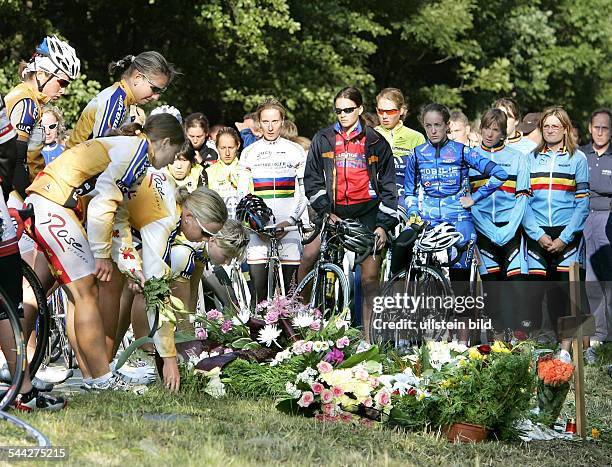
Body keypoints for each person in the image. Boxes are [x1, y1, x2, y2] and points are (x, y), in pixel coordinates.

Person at [22, 113, 184, 392]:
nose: (172, 161)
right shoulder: (137, 152)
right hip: (55, 204)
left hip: (48, 202)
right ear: (166, 142)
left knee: (52, 292)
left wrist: (132, 268)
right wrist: (100, 254)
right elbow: (101, 206)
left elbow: (118, 219)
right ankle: (100, 379)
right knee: (86, 293)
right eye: (175, 153)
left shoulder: (131, 149)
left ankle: (26, 370)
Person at [404, 103, 508, 344]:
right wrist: (413, 212)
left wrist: (474, 198)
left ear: (447, 125)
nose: (433, 130)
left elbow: (499, 174)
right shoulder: (417, 154)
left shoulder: (462, 151)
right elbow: (408, 192)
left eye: (437, 125)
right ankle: (432, 340)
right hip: (429, 223)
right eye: (428, 126)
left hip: (459, 222)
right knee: (429, 282)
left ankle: (462, 345)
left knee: (461, 286)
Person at [303, 87, 398, 340]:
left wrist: (383, 225)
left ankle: (369, 341)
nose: (343, 115)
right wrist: (325, 211)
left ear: (360, 109)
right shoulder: (323, 138)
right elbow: (311, 181)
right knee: (309, 256)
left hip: (368, 213)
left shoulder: (376, 141)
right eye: (338, 111)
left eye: (348, 110)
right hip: (333, 213)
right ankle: (302, 330)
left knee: (369, 280)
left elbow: (389, 187)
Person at [522, 106, 589, 358]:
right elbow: (523, 201)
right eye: (546, 126)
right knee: (537, 294)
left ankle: (564, 349)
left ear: (565, 129)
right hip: (537, 233)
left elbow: (582, 203)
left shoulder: (578, 159)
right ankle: (540, 345)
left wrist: (565, 237)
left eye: (555, 126)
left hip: (566, 233)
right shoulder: (530, 158)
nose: (550, 130)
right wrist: (536, 233)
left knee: (565, 295)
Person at [238, 98, 307, 305]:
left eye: (275, 121)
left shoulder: (296, 151)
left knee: (289, 296)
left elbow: (304, 193)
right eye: (265, 122)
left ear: (282, 121)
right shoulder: (249, 152)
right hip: (259, 229)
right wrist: (254, 224)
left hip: (289, 227)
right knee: (260, 296)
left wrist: (291, 221)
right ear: (259, 123)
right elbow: (243, 196)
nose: (270, 127)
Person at [468, 109, 529, 335]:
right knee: (492, 291)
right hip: (484, 231)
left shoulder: (517, 159)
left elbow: (523, 198)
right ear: (480, 128)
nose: (490, 134)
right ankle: (497, 343)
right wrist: (490, 230)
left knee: (515, 288)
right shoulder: (470, 157)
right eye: (487, 128)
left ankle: (519, 341)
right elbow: (467, 200)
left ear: (504, 133)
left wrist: (508, 230)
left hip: (511, 230)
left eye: (496, 130)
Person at [5, 36, 79, 195]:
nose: (63, 90)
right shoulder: (27, 102)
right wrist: (29, 198)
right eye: (62, 82)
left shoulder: (28, 98)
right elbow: (19, 160)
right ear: (40, 74)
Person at [67, 51, 175, 148]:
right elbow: (99, 153)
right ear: (137, 78)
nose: (156, 97)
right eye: (154, 89)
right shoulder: (115, 102)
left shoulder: (123, 99)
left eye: (161, 92)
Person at [580, 108, 612, 350]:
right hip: (583, 218)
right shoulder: (581, 155)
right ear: (590, 128)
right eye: (597, 127)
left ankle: (607, 336)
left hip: (607, 218)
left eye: (605, 127)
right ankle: (598, 336)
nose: (600, 132)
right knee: (590, 281)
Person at [374, 88, 425, 208]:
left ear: (401, 110)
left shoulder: (416, 137)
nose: (384, 116)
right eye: (380, 111)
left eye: (390, 111)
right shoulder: (369, 136)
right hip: (377, 201)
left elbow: (422, 174)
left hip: (406, 201)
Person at [207, 127, 241, 219]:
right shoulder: (208, 172)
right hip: (219, 227)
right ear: (216, 147)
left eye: (230, 148)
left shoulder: (246, 170)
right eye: (222, 148)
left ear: (238, 145)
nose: (227, 153)